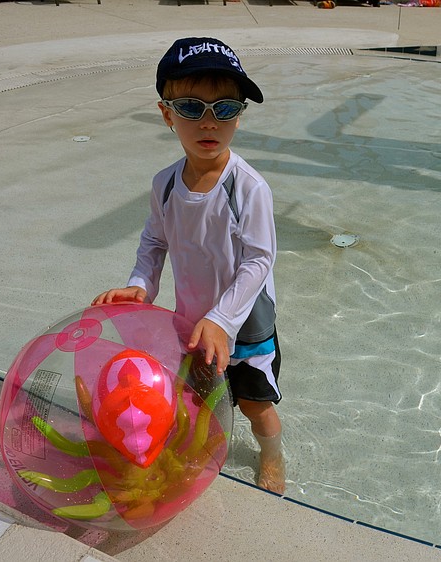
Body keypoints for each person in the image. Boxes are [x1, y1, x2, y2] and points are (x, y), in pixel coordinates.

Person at [92, 37, 285, 494]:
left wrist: (223, 319)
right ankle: (202, 448)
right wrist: (141, 284)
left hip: (246, 323)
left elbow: (260, 261)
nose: (209, 122)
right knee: (197, 398)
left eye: (225, 108)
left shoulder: (248, 188)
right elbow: (154, 241)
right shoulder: (164, 185)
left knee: (256, 405)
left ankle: (272, 454)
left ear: (240, 114)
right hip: (195, 320)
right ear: (166, 115)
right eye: (192, 107)